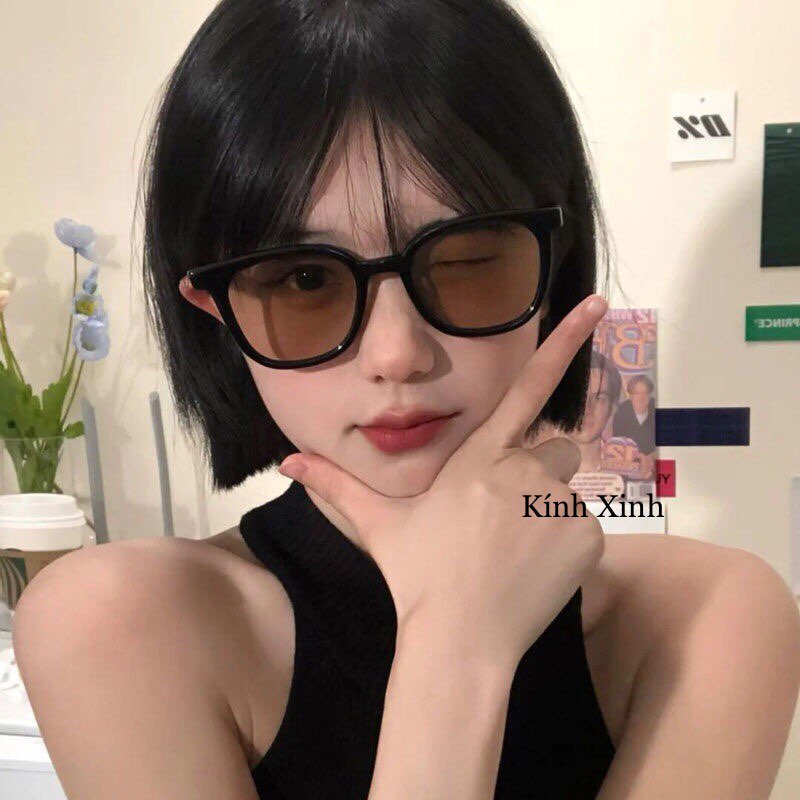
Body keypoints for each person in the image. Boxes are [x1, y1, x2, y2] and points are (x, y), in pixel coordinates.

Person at [11, 2, 800, 799]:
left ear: (553, 263)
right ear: (214, 310)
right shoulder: (118, 620)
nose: (397, 355)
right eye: (306, 280)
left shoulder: (709, 619)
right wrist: (458, 642)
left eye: (465, 259)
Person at [612, 374, 656, 479]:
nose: (641, 398)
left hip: (653, 465)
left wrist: (650, 459)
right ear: (630, 396)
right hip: (629, 466)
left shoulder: (657, 409)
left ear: (650, 395)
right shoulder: (621, 412)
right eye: (637, 393)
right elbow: (619, 447)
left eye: (645, 393)